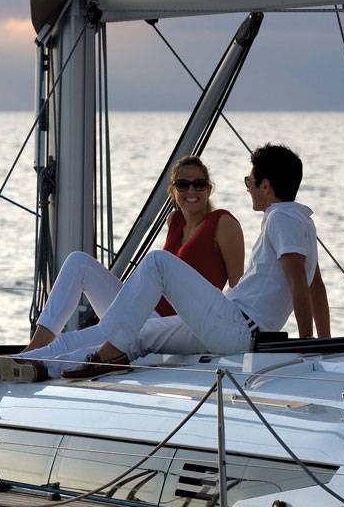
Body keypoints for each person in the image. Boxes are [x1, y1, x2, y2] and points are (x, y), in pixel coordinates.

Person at [0, 156, 243, 390]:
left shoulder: (222, 223)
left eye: (199, 184)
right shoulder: (174, 221)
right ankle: (34, 348)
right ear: (173, 190)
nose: (191, 191)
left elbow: (237, 291)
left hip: (168, 326)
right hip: (144, 311)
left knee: (69, 342)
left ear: (209, 189)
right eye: (183, 185)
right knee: (78, 262)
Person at [56, 142, 329, 379]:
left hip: (239, 326)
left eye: (249, 181)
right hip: (233, 323)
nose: (248, 188)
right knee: (143, 333)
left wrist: (305, 346)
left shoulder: (281, 219)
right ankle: (48, 363)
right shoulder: (300, 222)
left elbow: (298, 284)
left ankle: (104, 357)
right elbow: (315, 286)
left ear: (266, 186)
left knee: (158, 263)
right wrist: (327, 344)